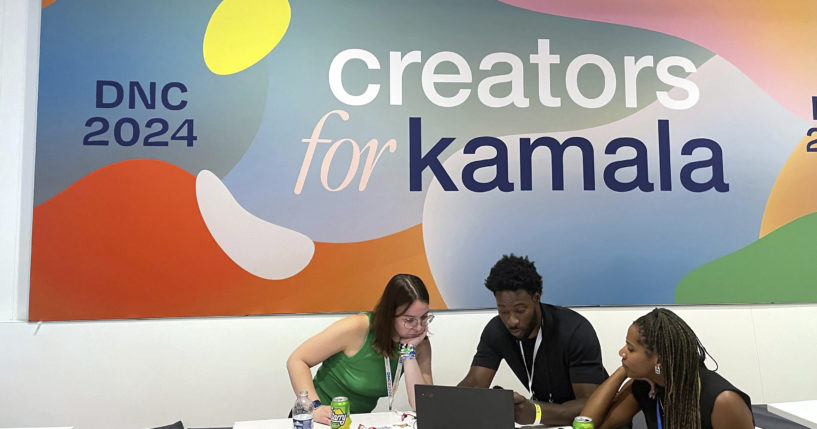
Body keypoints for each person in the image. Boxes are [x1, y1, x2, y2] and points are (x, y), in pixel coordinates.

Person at [457, 254, 608, 426]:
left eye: (520, 310)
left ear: (536, 298)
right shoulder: (497, 330)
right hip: (549, 420)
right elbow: (475, 383)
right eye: (503, 311)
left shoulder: (574, 331)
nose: (511, 321)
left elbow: (590, 406)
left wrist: (535, 412)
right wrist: (446, 404)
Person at [286, 274, 433, 425]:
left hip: (355, 422)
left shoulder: (418, 344)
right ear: (389, 315)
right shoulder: (358, 327)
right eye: (409, 320)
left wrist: (408, 353)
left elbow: (424, 406)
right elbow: (297, 360)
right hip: (319, 419)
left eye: (424, 318)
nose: (419, 327)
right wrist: (313, 407)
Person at [580, 308, 755, 429]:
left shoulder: (722, 400)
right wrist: (622, 371)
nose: (621, 352)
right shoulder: (647, 385)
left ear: (660, 360)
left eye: (630, 349)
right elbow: (588, 424)